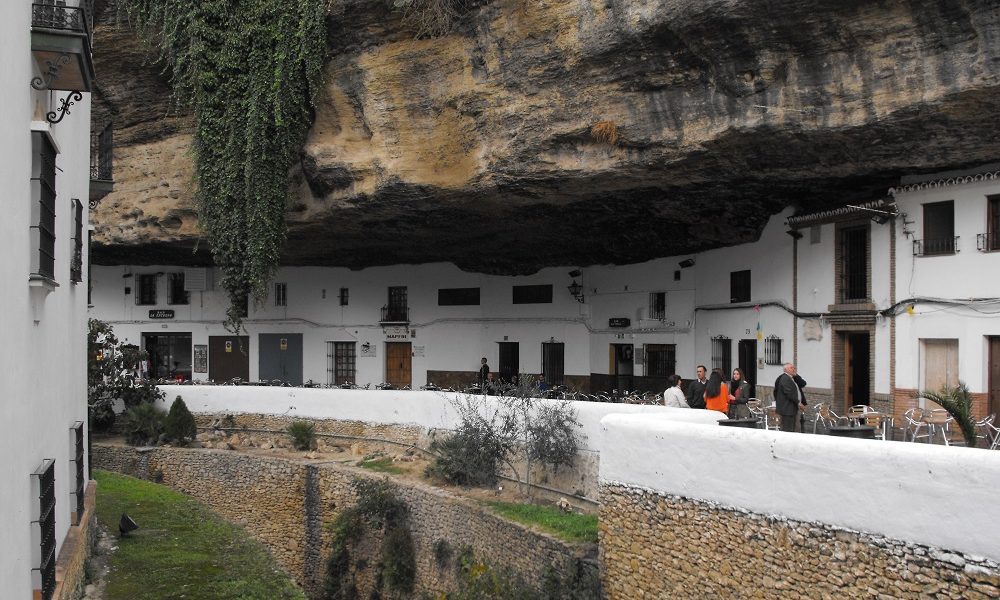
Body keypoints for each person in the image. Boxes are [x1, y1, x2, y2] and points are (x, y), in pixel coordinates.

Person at [774, 363, 807, 432]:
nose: (794, 369)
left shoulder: (791, 378)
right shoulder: (785, 379)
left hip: (792, 408)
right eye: (791, 368)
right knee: (788, 429)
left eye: (794, 368)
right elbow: (789, 393)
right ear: (786, 370)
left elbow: (803, 383)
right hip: (787, 408)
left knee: (794, 427)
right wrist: (799, 403)